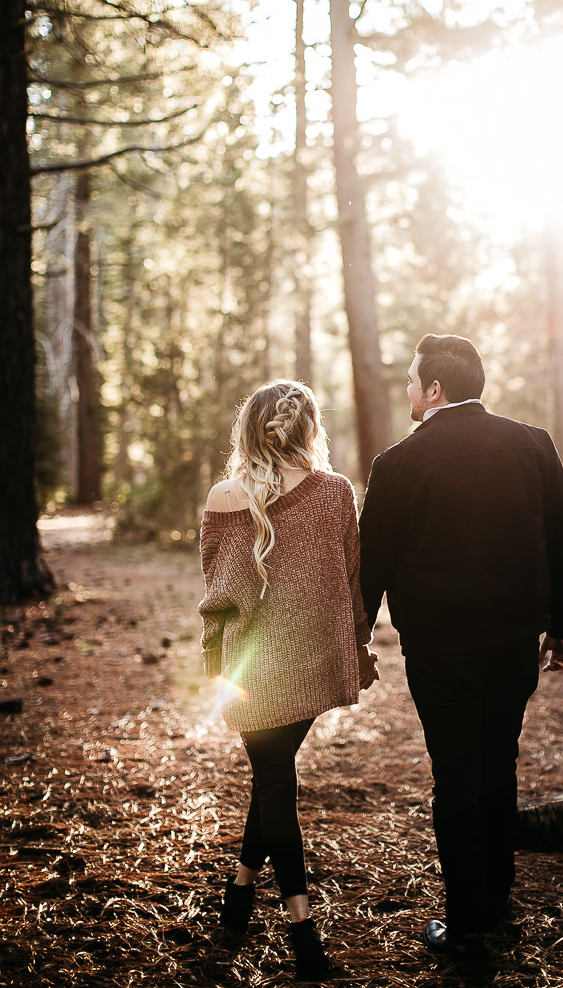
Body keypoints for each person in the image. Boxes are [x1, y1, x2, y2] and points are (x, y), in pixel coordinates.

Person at [359, 334, 563, 962]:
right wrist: (561, 625)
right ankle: (498, 901)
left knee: (456, 776)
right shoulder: (533, 444)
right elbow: (562, 537)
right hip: (514, 643)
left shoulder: (397, 463)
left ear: (435, 389)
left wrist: (356, 638)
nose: (406, 392)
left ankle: (466, 925)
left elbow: (373, 562)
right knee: (498, 765)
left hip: (439, 651)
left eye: (410, 380)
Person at [198, 380, 379, 980]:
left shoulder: (227, 495)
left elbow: (220, 596)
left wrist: (214, 664)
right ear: (310, 429)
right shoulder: (335, 493)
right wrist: (358, 647)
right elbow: (352, 580)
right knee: (274, 781)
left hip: (251, 670)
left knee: (272, 780)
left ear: (249, 428)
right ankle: (270, 916)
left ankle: (270, 921)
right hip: (311, 662)